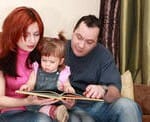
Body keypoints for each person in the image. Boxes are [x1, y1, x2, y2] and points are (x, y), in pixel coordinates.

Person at [65, 15, 142, 122]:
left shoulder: (103, 55)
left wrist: (103, 90)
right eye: (79, 37)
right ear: (73, 32)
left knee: (128, 106)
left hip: (97, 107)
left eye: (89, 42)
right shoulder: (60, 49)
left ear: (97, 42)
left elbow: (115, 92)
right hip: (67, 108)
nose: (81, 45)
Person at [20, 33, 75, 122]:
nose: (47, 64)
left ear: (61, 61)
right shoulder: (37, 70)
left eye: (52, 62)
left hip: (55, 103)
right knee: (43, 109)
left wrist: (69, 89)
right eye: (44, 60)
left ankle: (58, 112)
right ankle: (54, 113)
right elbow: (30, 83)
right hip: (37, 103)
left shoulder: (62, 74)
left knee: (61, 109)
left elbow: (67, 85)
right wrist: (27, 87)